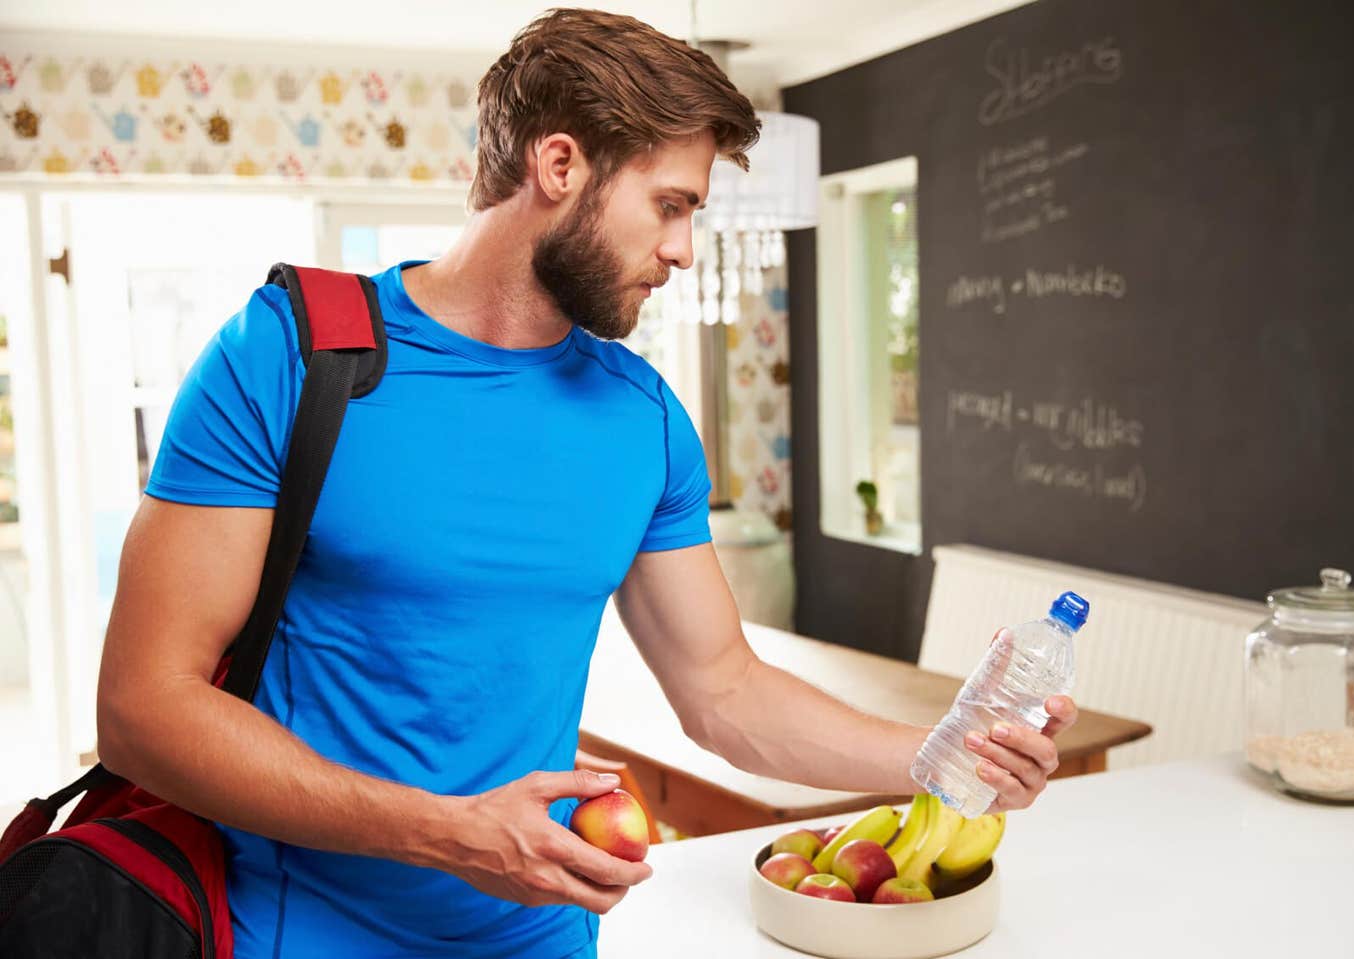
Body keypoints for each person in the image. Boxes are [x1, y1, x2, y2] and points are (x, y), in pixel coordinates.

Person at [95, 8, 1077, 958]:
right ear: (559, 164)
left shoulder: (643, 418)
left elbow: (724, 689)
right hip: (303, 931)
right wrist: (451, 831)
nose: (686, 248)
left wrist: (943, 751)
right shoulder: (289, 355)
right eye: (671, 203)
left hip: (545, 936)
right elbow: (144, 707)